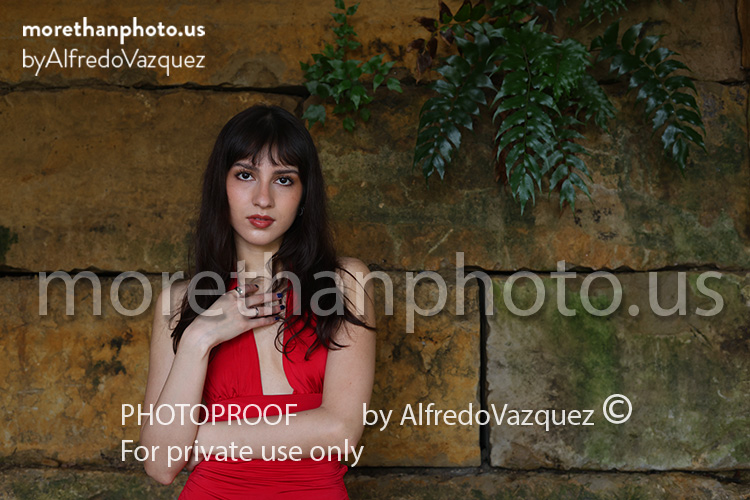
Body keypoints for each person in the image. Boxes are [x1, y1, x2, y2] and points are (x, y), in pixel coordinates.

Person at [140, 105, 376, 499]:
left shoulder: (346, 282)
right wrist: (199, 338)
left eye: (283, 179)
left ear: (304, 195)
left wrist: (195, 439)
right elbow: (160, 465)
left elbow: (341, 433)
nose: (262, 198)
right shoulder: (178, 302)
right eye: (245, 175)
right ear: (221, 185)